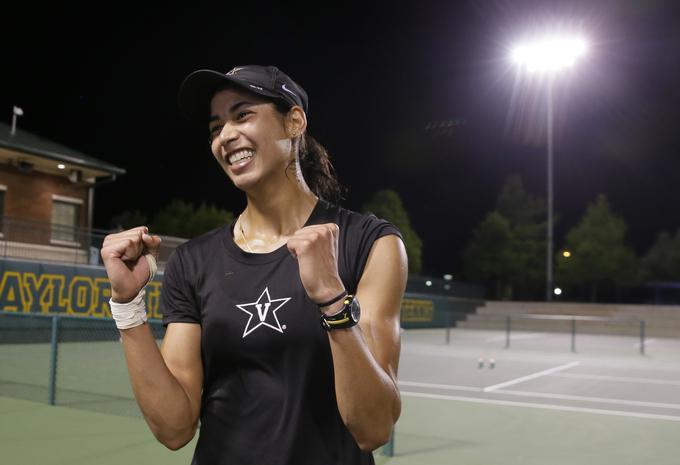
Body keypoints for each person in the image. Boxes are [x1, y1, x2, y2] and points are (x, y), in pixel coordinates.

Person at [100, 64, 407, 465]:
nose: (225, 136)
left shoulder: (369, 242)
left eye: (242, 115)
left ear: (294, 121)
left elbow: (373, 427)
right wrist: (127, 306)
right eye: (215, 127)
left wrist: (332, 300)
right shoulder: (193, 261)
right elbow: (174, 429)